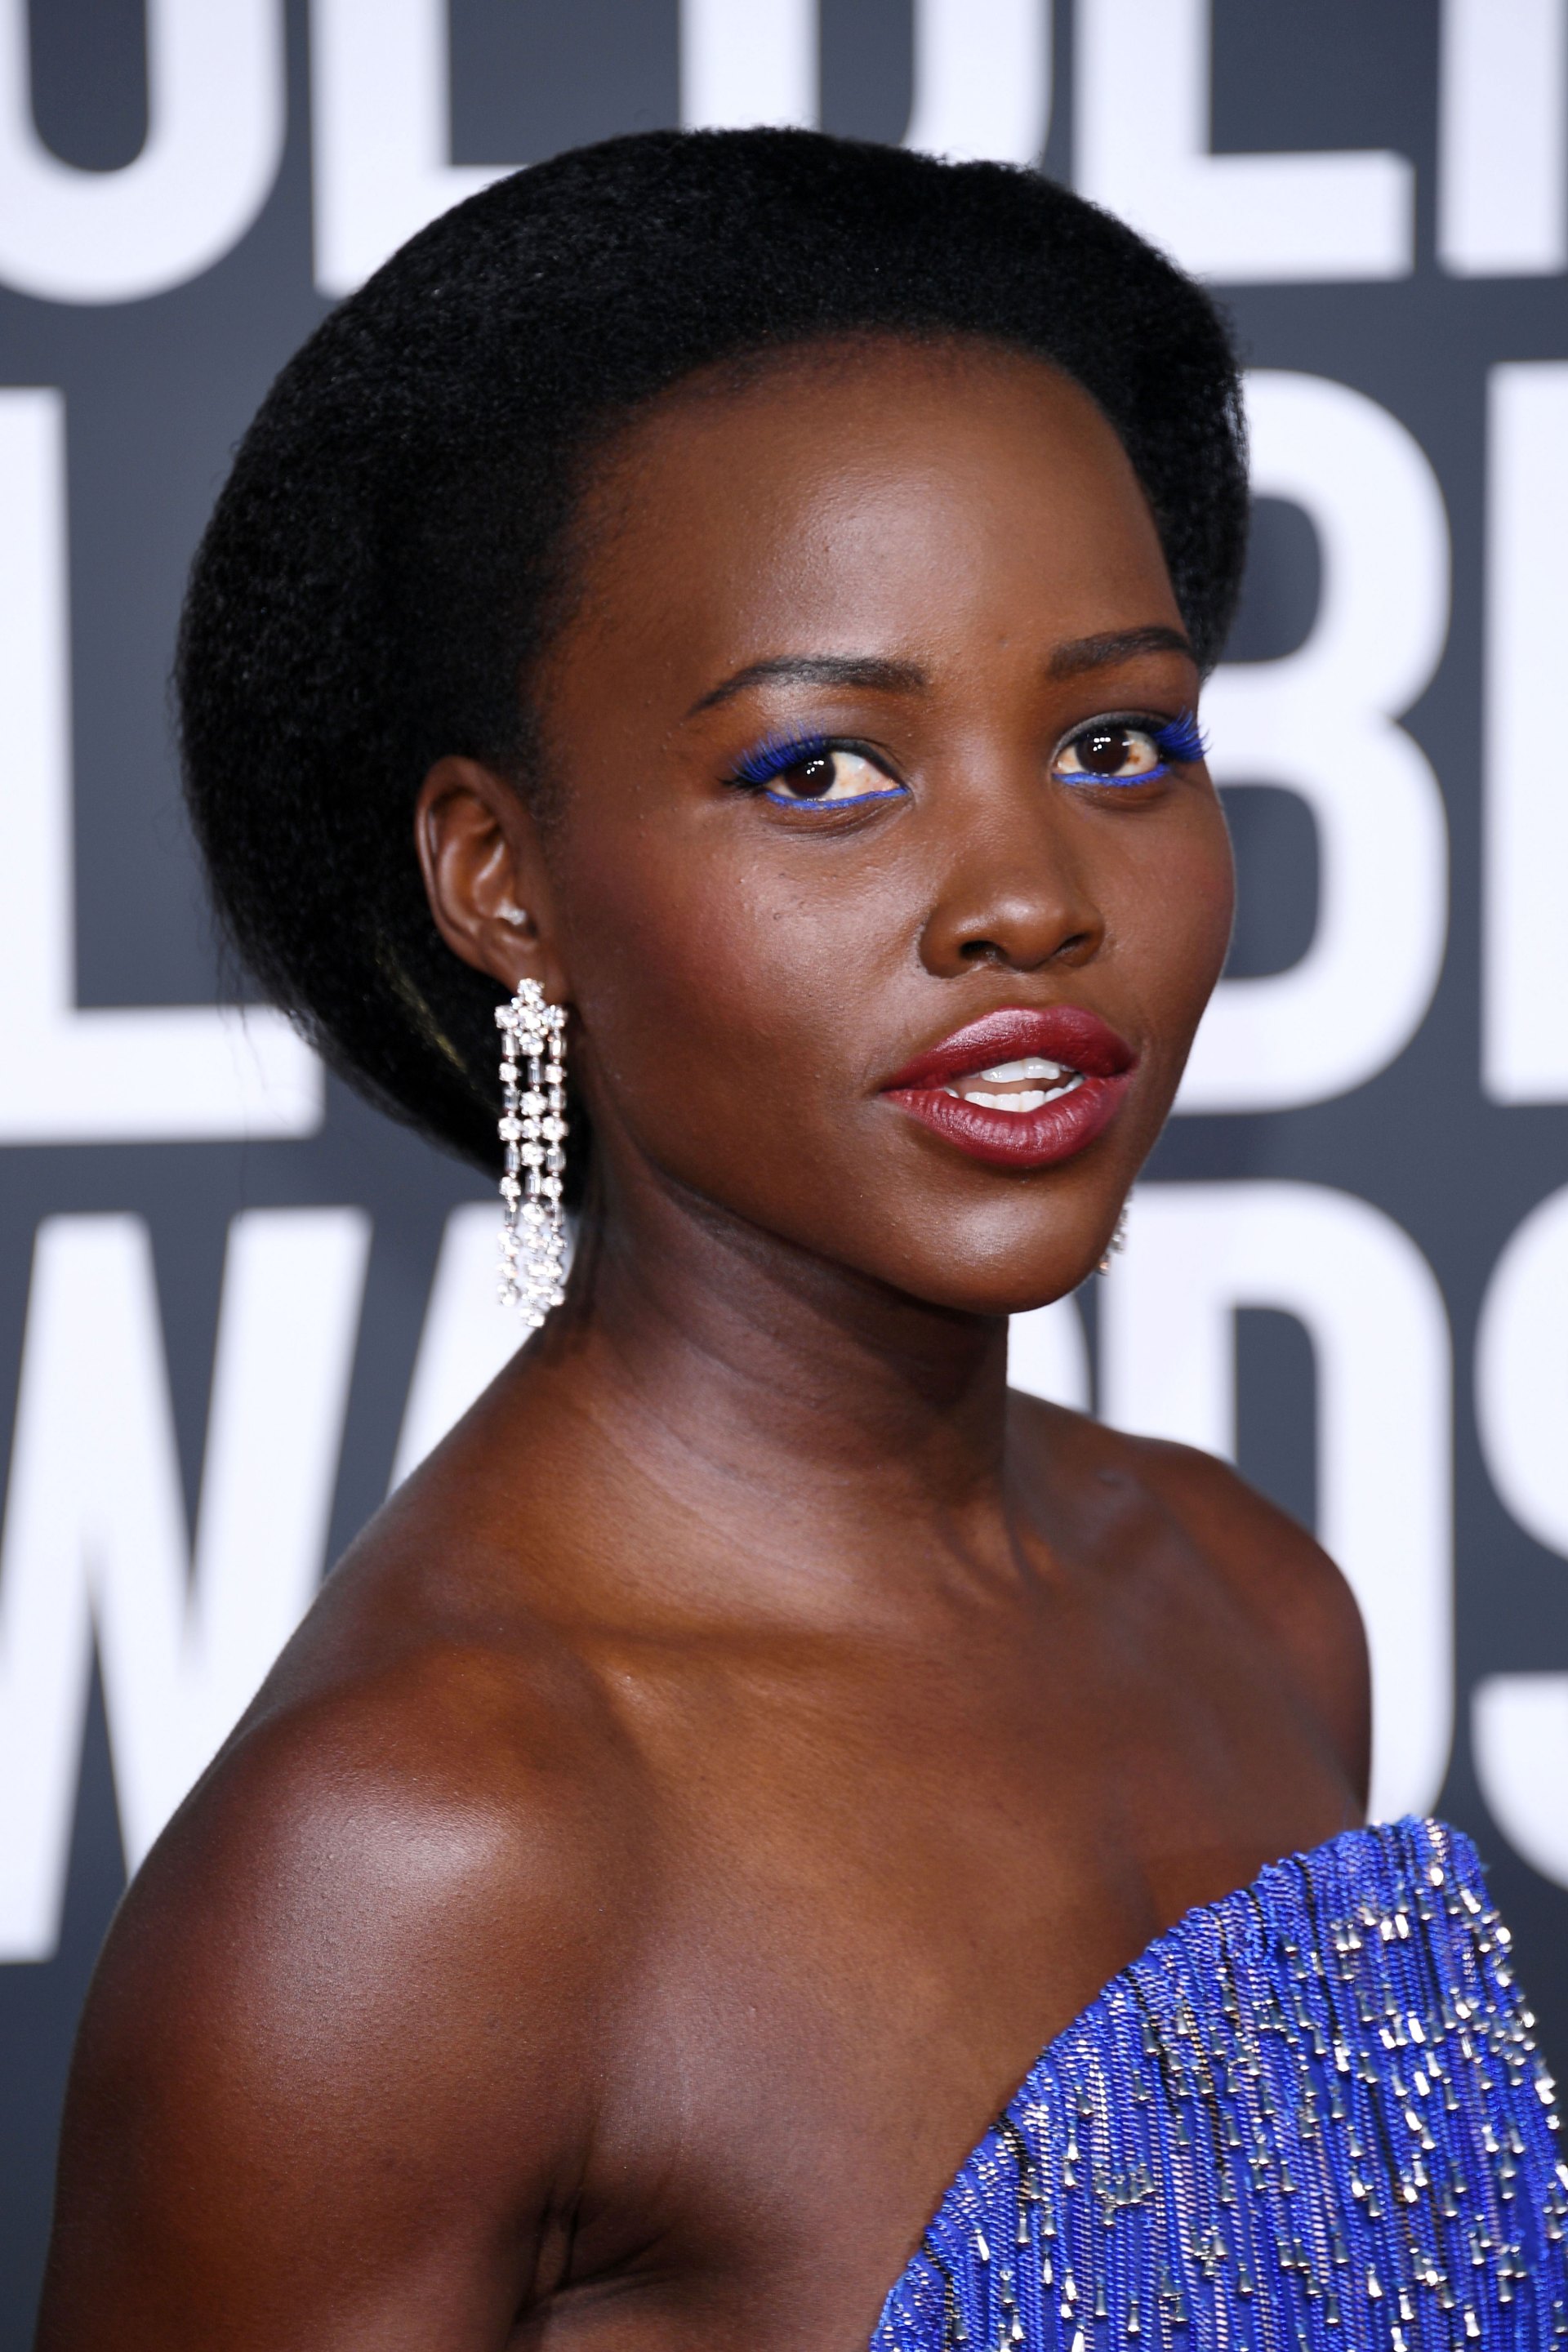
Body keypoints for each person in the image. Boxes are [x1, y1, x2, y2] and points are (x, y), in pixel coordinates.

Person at [34, 131, 1561, 2351]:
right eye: (824, 771)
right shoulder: (428, 1859)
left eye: (1119, 739)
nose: (1029, 897)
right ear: (503, 883)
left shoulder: (1254, 1605)